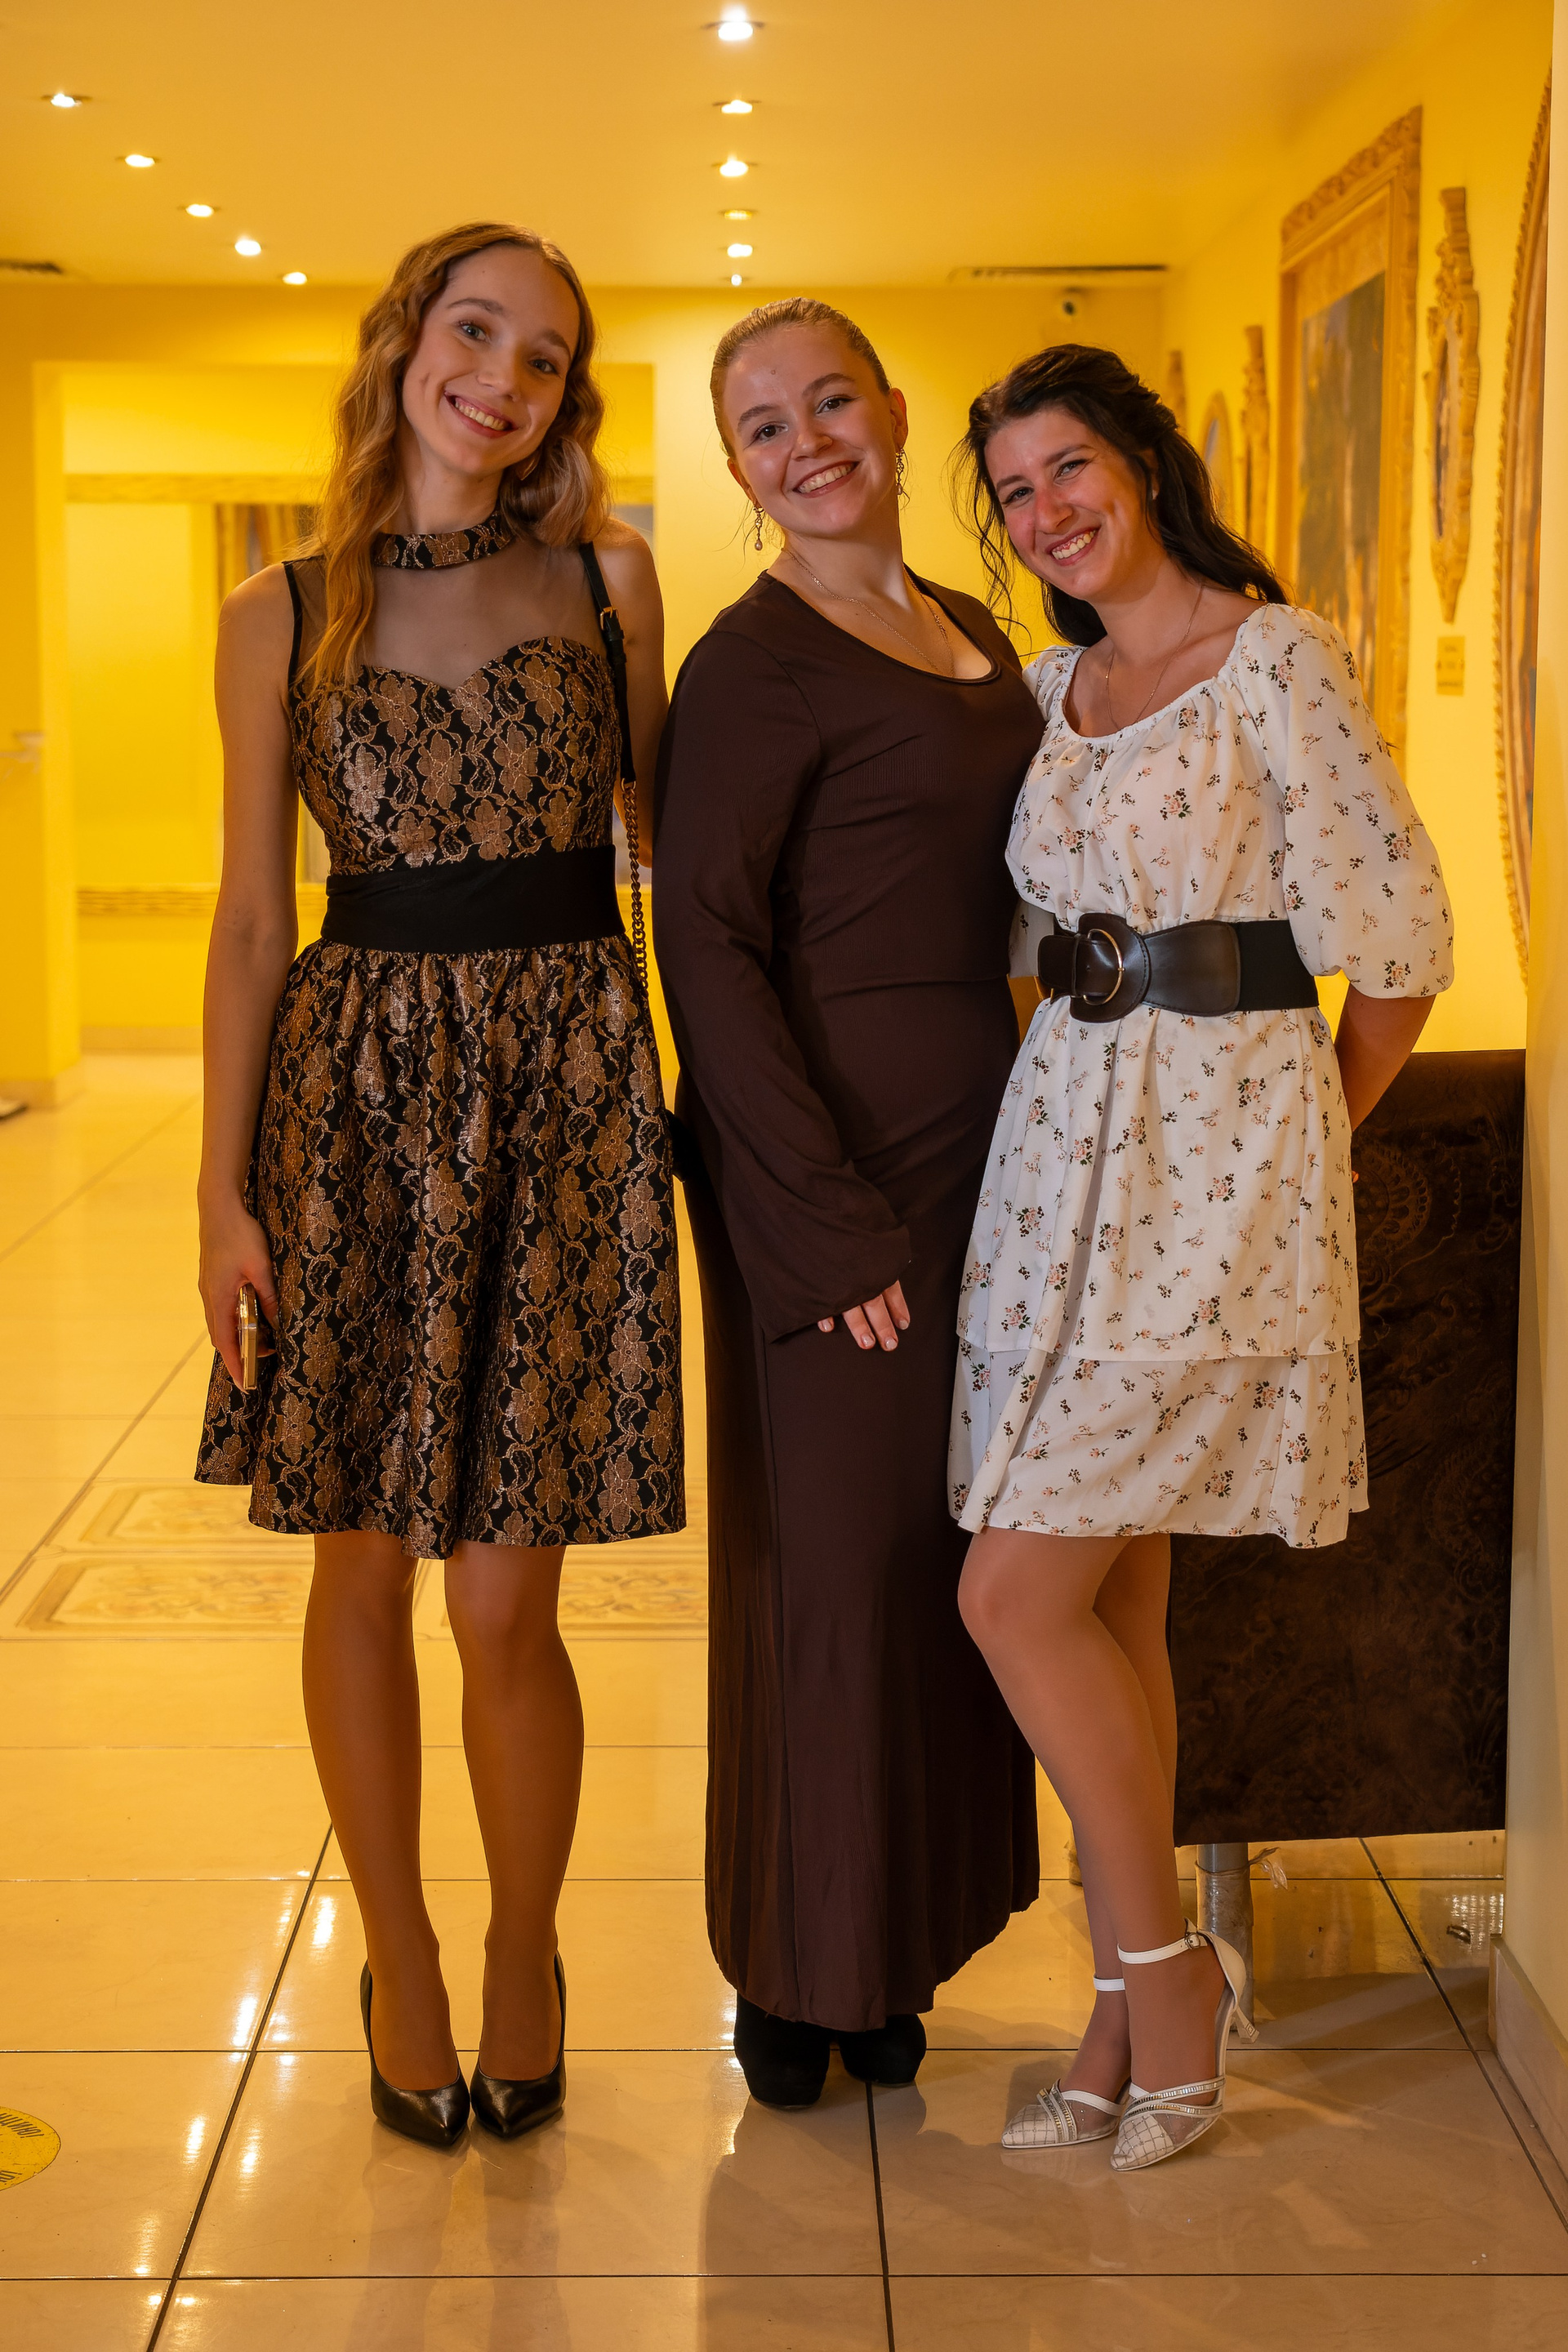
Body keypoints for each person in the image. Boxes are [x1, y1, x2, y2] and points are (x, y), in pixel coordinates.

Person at [195, 223, 683, 2149]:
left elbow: (675, 853)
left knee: (504, 1599)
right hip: (356, 1108)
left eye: (545, 356)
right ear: (405, 343)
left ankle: (522, 1947)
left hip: (566, 1097)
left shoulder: (609, 579)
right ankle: (396, 1951)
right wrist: (221, 1197)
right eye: (477, 331)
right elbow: (251, 920)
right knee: (360, 1559)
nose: (505, 376)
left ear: (567, 398)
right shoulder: (279, 609)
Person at [949, 344, 1453, 2171]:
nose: (1046, 511)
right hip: (1059, 1168)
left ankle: (1168, 1979)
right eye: (1014, 492)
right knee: (1112, 1603)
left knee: (1010, 1597)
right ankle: (1122, 2002)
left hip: (1221, 1179)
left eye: (1069, 468)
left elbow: (1400, 947)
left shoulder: (1276, 659)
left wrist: (1299, 1145)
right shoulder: (1047, 688)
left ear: (1145, 464)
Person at [654, 298, 1043, 2109]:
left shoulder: (975, 627)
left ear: (892, 412)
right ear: (739, 471)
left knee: (951, 1556)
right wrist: (817, 1220)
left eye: (830, 401)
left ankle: (893, 1947)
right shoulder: (749, 664)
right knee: (830, 1562)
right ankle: (794, 1969)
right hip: (828, 1168)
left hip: (993, 1158)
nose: (806, 441)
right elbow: (707, 951)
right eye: (764, 425)